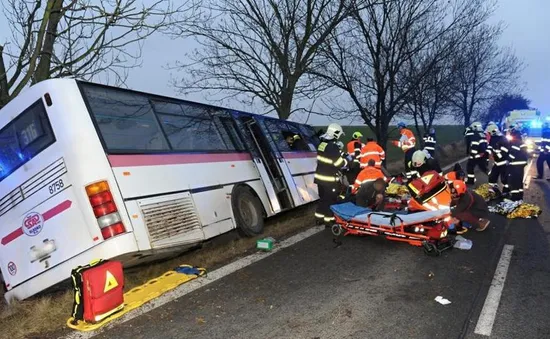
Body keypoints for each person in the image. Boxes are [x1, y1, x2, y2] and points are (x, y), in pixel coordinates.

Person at [314, 123, 349, 225]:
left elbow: (329, 155)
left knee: (323, 199)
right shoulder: (332, 146)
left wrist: (340, 153)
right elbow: (338, 163)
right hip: (329, 179)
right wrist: (347, 160)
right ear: (336, 133)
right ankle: (329, 221)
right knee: (331, 200)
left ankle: (319, 219)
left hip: (320, 178)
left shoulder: (322, 144)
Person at [506, 125, 528, 201]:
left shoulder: (515, 141)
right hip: (521, 164)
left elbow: (513, 152)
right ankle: (520, 195)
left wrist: (508, 160)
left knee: (514, 181)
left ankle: (515, 197)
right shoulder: (521, 141)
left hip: (516, 164)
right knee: (519, 180)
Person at [486, 124, 509, 194]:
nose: (489, 134)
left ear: (493, 131)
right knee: (492, 177)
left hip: (503, 162)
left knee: (504, 179)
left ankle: (506, 192)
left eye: (489, 133)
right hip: (497, 162)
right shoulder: (493, 138)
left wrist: (496, 155)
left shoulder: (503, 139)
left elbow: (504, 152)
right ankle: (494, 191)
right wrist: (488, 152)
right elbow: (490, 147)